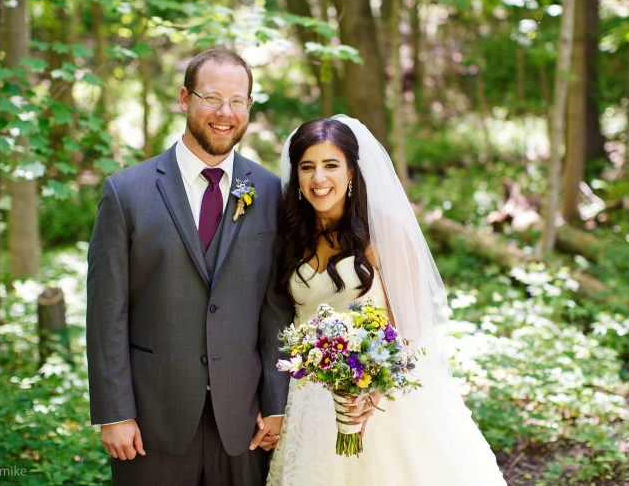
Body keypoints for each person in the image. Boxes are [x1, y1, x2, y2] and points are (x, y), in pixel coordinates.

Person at [87, 48, 293, 486]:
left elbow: (277, 309)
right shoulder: (126, 193)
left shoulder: (271, 192)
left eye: (237, 101)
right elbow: (107, 313)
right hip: (151, 422)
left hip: (245, 423)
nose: (225, 113)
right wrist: (115, 412)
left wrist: (277, 403)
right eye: (212, 98)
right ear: (185, 99)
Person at [267, 116, 507, 485]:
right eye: (307, 167)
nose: (319, 178)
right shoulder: (289, 236)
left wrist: (373, 389)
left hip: (376, 398)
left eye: (331, 165)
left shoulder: (383, 232)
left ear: (351, 172)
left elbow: (410, 327)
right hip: (307, 399)